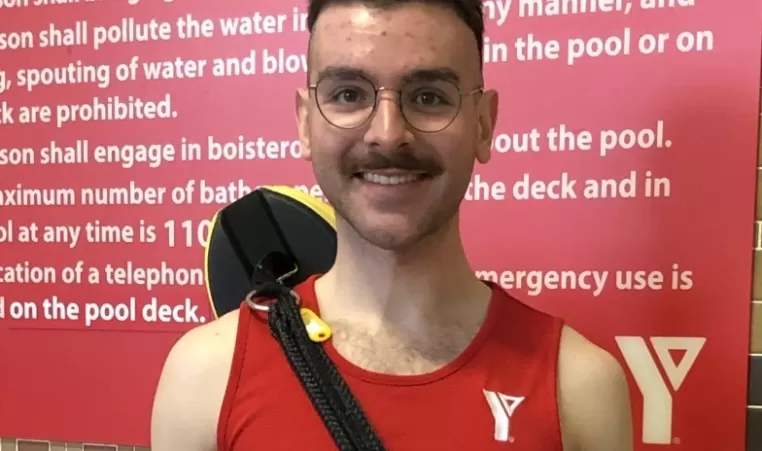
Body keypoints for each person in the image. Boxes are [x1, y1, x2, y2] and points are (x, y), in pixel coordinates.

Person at [150, 0, 634, 449]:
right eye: (347, 94)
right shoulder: (205, 377)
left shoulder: (579, 388)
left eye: (428, 97)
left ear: (483, 125)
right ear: (305, 124)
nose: (387, 134)